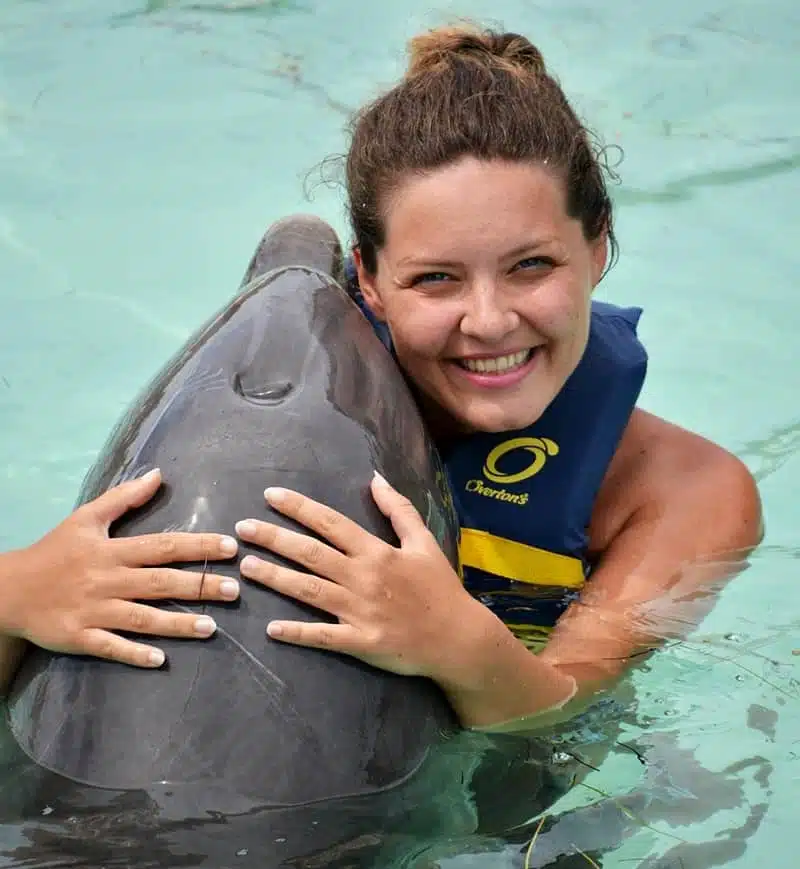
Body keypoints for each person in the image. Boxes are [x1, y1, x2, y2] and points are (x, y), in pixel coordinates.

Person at [0, 24, 762, 733]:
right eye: (436, 279)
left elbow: (558, 720)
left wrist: (457, 645)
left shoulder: (690, 495)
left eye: (532, 266)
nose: (490, 321)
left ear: (598, 247)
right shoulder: (279, 430)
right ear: (368, 280)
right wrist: (16, 595)